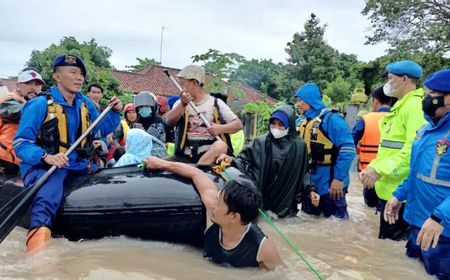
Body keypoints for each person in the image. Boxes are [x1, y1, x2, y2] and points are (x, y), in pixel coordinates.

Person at [13, 54, 122, 253]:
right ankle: (38, 248)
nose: (79, 78)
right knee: (49, 193)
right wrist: (46, 157)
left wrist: (114, 112)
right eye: (72, 72)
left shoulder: (85, 104)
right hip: (44, 166)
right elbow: (20, 144)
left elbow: (100, 129)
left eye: (81, 73)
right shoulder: (39, 105)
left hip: (77, 165)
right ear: (57, 76)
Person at [143, 156, 285, 270]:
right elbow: (195, 173)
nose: (212, 205)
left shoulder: (261, 247)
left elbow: (282, 274)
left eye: (218, 204)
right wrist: (161, 163)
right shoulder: (213, 217)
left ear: (234, 217)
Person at [384, 69, 450, 279]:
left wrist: (440, 217)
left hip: (442, 231)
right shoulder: (425, 131)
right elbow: (416, 172)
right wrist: (398, 194)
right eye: (425, 95)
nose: (426, 100)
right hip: (417, 223)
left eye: (431, 96)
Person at [360, 60, 427, 241]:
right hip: (389, 190)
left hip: (402, 196)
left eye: (390, 78)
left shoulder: (415, 108)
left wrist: (379, 170)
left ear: (404, 79)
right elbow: (387, 149)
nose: (387, 83)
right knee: (386, 246)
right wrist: (372, 168)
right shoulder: (400, 107)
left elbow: (413, 151)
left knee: (394, 245)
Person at [217, 105, 310, 218]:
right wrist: (232, 160)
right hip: (263, 197)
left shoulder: (299, 146)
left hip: (287, 203)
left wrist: (311, 190)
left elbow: (304, 172)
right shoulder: (260, 142)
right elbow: (244, 161)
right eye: (273, 123)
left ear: (289, 125)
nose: (276, 128)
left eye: (281, 125)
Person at [296, 83, 356, 219]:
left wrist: (338, 179)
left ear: (310, 100)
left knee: (337, 224)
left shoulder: (332, 119)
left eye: (300, 100)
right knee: (310, 223)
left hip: (331, 184)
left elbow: (348, 149)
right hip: (310, 185)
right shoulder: (301, 121)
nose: (297, 104)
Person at [165, 65, 242, 164]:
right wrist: (182, 105)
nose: (181, 88)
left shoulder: (215, 103)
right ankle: (192, 170)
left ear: (194, 83)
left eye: (183, 84)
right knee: (155, 164)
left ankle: (197, 169)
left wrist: (220, 128)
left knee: (220, 146)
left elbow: (238, 125)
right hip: (184, 156)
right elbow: (169, 122)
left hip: (210, 156)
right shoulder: (180, 103)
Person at [352, 86, 394, 207]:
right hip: (393, 173)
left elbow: (350, 143)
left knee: (370, 207)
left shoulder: (366, 119)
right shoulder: (400, 118)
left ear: (375, 101)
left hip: (369, 173)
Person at [0, 68, 45, 175]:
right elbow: (17, 112)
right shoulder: (10, 100)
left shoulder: (29, 102)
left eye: (37, 84)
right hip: (5, 160)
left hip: (22, 158)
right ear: (18, 85)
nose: (33, 88)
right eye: (28, 83)